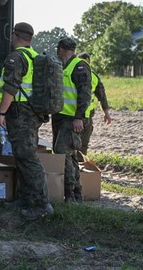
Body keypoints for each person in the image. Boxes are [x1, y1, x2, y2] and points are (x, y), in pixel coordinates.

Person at [0, 22, 53, 220]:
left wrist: (1, 113)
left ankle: (41, 205)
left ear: (15, 35)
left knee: (27, 157)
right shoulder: (34, 56)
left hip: (20, 113)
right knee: (21, 154)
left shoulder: (16, 57)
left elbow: (10, 88)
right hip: (32, 113)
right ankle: (25, 197)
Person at [52, 37, 92, 202]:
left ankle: (70, 194)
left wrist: (78, 118)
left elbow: (85, 95)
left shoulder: (80, 66)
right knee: (70, 155)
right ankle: (76, 193)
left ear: (60, 49)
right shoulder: (62, 66)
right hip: (60, 117)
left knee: (63, 153)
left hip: (71, 119)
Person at [77, 53, 112, 161]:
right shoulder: (74, 74)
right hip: (75, 117)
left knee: (83, 146)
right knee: (74, 146)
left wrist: (106, 114)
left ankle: (80, 168)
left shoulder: (94, 77)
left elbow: (102, 95)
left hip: (86, 119)